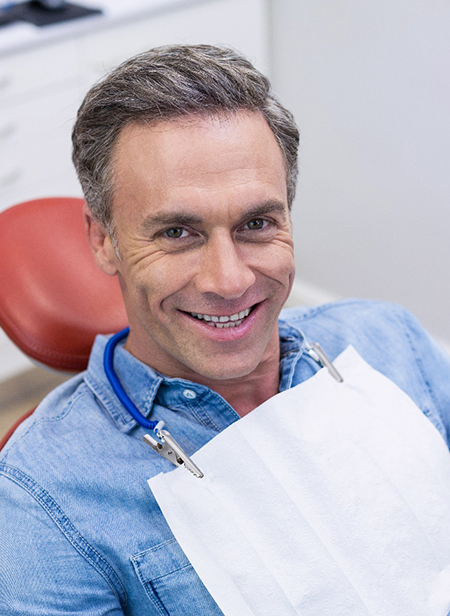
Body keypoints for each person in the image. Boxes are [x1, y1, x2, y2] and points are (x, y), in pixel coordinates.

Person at [1, 44, 450, 615]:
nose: (230, 279)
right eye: (176, 233)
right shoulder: (42, 500)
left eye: (257, 223)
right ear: (102, 239)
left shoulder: (388, 339)